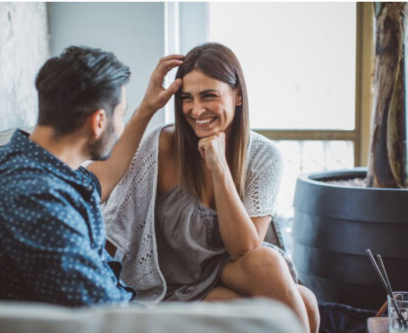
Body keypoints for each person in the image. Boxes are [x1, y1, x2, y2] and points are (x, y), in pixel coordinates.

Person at [103, 43, 320, 333]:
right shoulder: (163, 146)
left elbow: (245, 250)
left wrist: (219, 168)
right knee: (294, 305)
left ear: (238, 95)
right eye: (187, 98)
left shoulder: (264, 156)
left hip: (229, 271)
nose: (196, 110)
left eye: (209, 96)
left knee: (299, 294)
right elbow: (113, 217)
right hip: (174, 286)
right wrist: (147, 106)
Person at [0, 46, 183, 307]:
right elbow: (106, 315)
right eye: (121, 115)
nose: (119, 127)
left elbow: (98, 182)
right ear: (98, 122)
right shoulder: (35, 202)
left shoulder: (34, 163)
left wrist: (147, 108)